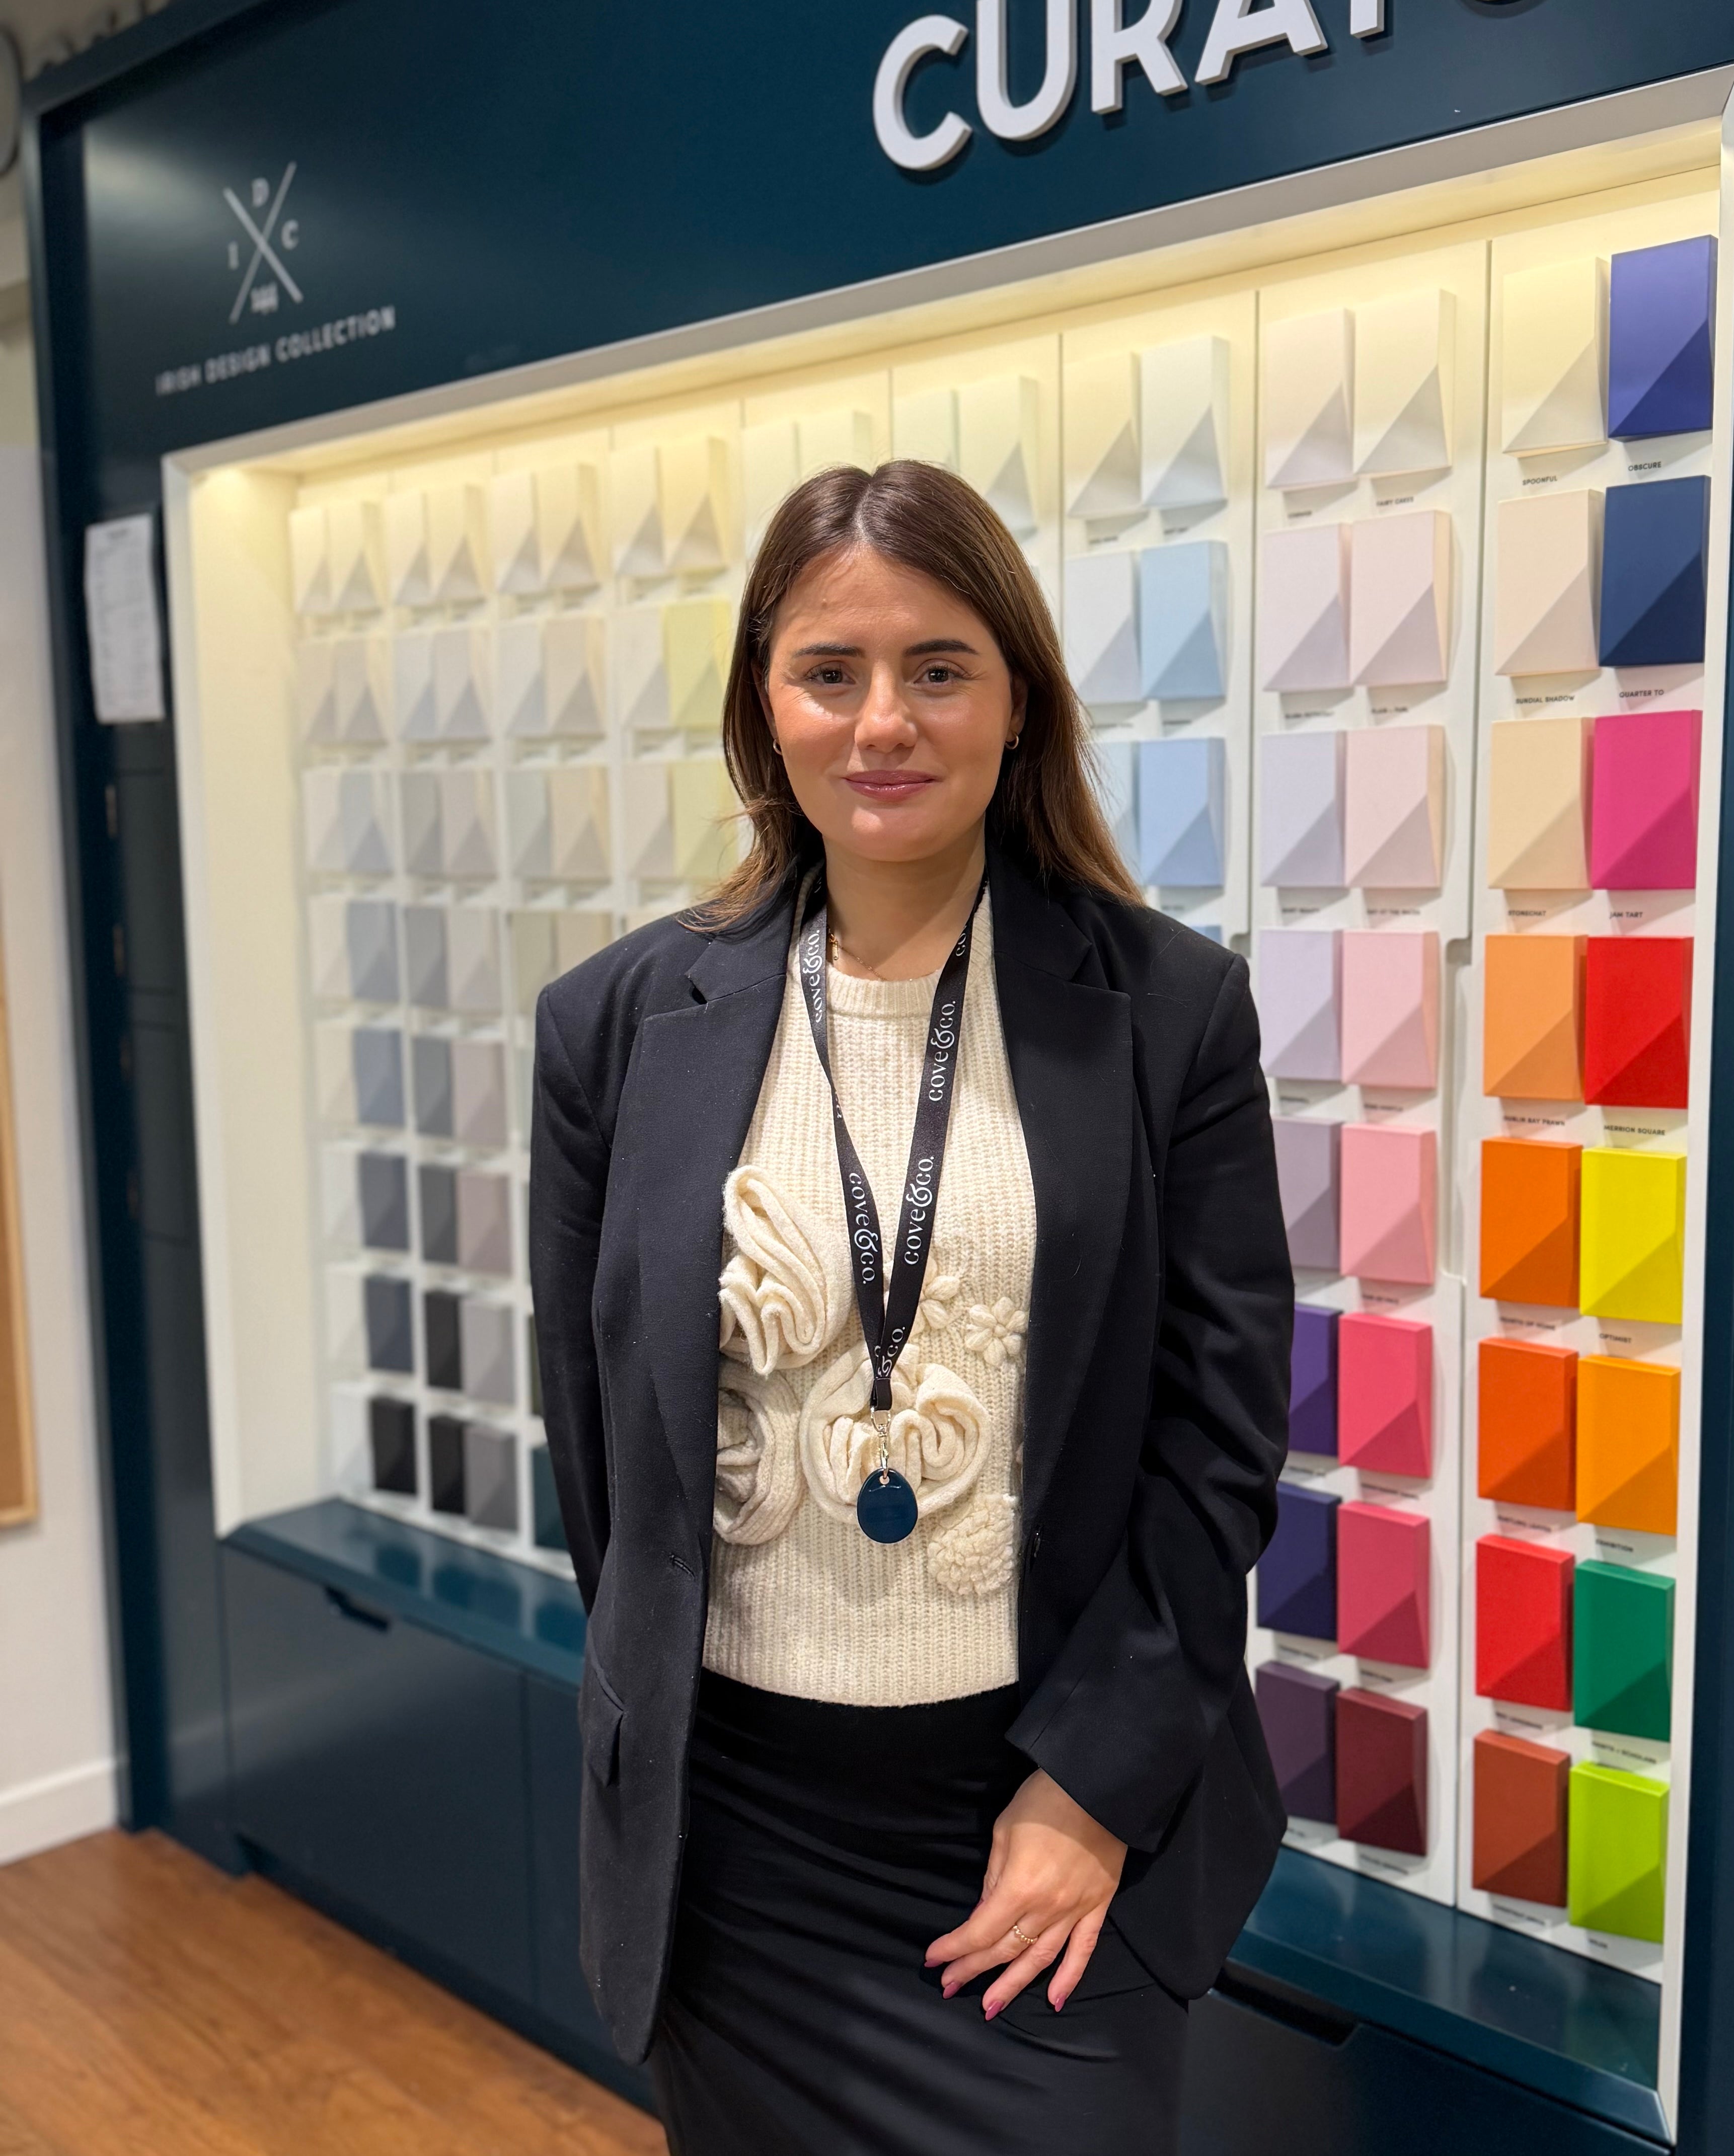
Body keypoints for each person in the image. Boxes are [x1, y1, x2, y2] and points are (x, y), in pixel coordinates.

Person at [529, 458, 1292, 2155]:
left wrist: (1091, 1788)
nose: (883, 720)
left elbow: (1220, 1439)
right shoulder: (614, 1024)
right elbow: (603, 1450)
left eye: (938, 667)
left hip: (1041, 1816)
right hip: (731, 1850)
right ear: (765, 708)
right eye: (831, 671)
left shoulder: (1169, 1011)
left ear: (1017, 701)